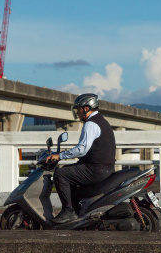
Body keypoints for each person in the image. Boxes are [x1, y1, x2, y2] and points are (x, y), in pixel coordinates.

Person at [46, 93, 116, 223]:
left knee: (61, 174)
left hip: (96, 169)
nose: (77, 113)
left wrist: (59, 156)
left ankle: (68, 212)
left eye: (78, 109)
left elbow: (82, 149)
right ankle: (77, 210)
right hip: (103, 167)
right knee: (69, 171)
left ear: (86, 108)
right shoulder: (100, 121)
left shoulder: (91, 124)